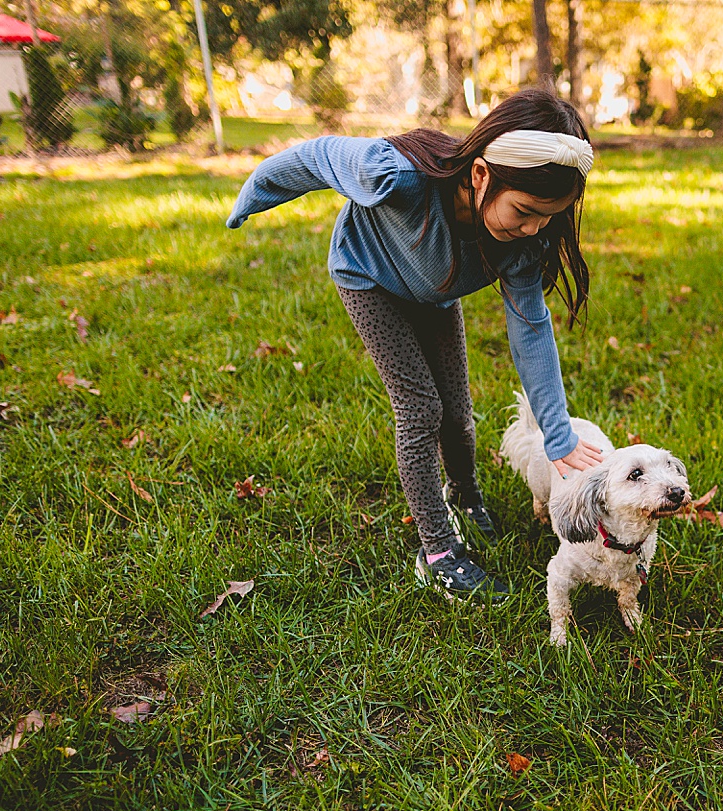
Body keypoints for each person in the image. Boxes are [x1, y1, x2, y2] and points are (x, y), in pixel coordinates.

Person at [225, 89, 604, 602]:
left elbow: (531, 329)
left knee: (458, 409)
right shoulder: (394, 175)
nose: (536, 227)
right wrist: (254, 195)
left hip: (435, 291)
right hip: (369, 280)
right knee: (420, 409)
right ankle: (439, 551)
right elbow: (314, 158)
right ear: (480, 175)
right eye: (526, 210)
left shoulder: (523, 243)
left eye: (550, 216)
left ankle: (466, 498)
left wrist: (558, 435)